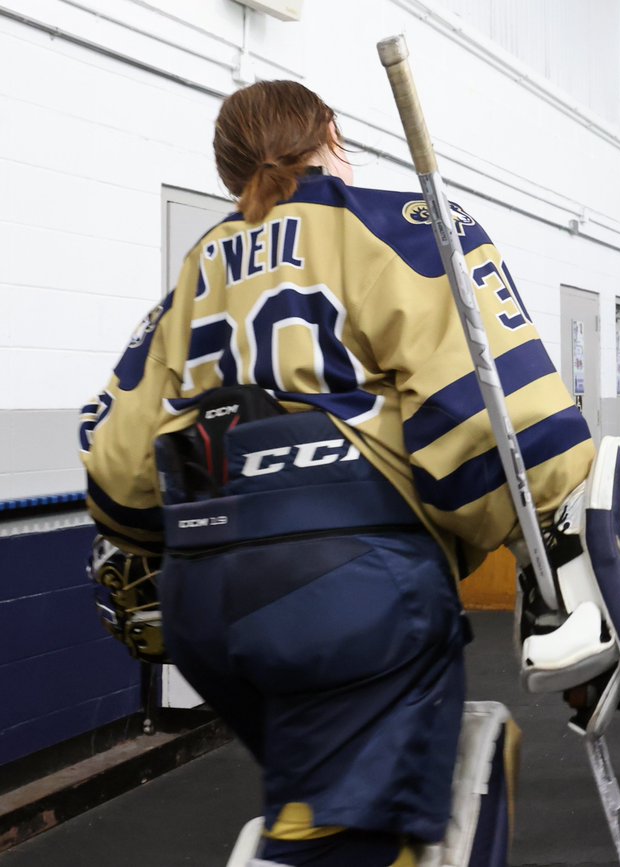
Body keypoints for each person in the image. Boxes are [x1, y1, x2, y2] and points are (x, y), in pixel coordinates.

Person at [78, 80, 594, 867]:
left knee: (335, 799)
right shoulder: (402, 222)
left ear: (229, 169)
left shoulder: (196, 266)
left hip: (205, 605)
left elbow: (116, 471)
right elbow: (516, 430)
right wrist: (543, 567)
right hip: (349, 586)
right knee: (355, 840)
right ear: (331, 133)